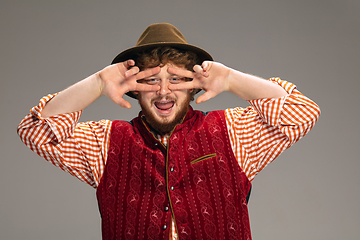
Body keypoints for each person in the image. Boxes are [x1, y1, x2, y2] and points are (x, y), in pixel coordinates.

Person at [17, 23, 320, 240]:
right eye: (151, 80)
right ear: (134, 89)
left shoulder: (233, 131)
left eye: (176, 78)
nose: (163, 91)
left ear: (194, 83)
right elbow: (35, 130)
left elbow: (303, 111)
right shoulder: (105, 142)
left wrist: (230, 79)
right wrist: (97, 83)